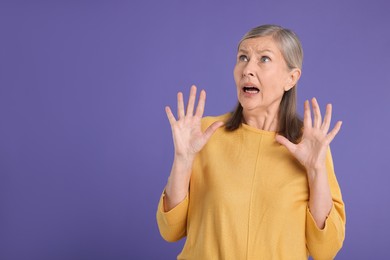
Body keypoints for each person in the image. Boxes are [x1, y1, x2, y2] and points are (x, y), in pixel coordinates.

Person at [156, 24, 345, 259]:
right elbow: (170, 230)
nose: (248, 69)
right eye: (243, 57)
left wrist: (316, 172)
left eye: (264, 59)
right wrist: (183, 161)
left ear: (291, 77)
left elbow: (325, 249)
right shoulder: (204, 134)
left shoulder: (308, 146)